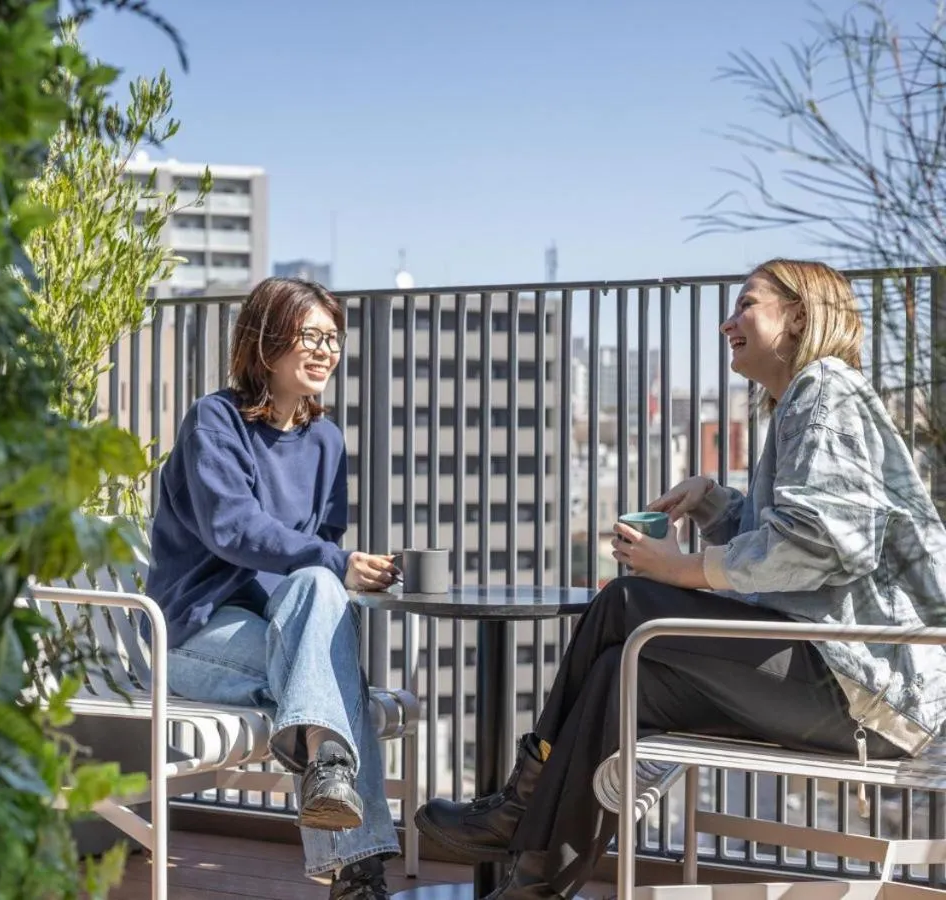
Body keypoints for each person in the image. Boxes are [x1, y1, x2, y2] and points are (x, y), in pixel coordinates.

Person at [414, 258, 946, 899]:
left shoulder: (825, 388)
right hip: (834, 672)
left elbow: (826, 541)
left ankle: (518, 805)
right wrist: (712, 502)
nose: (728, 322)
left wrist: (682, 570)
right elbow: (797, 540)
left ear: (801, 315)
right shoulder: (801, 401)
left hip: (869, 689)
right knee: (620, 675)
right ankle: (533, 883)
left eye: (746, 305)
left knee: (629, 599)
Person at [145, 277, 402, 899]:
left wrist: (336, 566)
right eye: (309, 336)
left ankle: (332, 778)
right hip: (195, 631)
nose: (325, 351)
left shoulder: (327, 441)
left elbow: (316, 564)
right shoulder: (216, 421)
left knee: (316, 592)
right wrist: (332, 561)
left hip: (279, 633)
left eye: (333, 338)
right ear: (266, 342)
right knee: (326, 666)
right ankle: (355, 869)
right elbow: (234, 528)